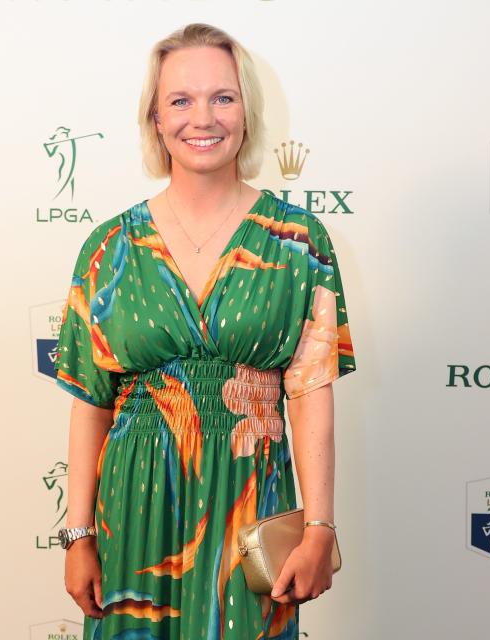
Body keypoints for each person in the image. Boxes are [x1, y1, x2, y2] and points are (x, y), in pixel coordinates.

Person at [54, 22, 356, 639]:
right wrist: (78, 535)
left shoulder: (299, 243)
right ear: (155, 119)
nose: (203, 117)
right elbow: (92, 404)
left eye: (223, 97)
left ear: (247, 113)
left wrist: (320, 526)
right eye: (181, 100)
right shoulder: (108, 248)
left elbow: (310, 393)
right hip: (134, 508)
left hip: (251, 508)